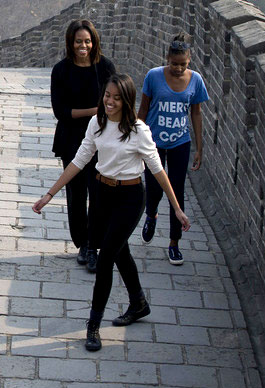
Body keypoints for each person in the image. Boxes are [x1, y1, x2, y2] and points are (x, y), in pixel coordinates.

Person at [33, 74, 190, 352]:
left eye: (117, 98)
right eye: (107, 96)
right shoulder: (97, 123)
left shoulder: (138, 130)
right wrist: (50, 193)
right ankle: (138, 302)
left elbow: (157, 170)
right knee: (120, 252)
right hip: (102, 193)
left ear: (126, 100)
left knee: (105, 258)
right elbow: (80, 160)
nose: (110, 101)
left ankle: (93, 325)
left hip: (130, 197)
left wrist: (176, 208)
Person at [138, 32, 209, 265]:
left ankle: (174, 243)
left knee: (177, 192)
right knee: (154, 186)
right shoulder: (153, 76)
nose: (178, 68)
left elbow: (196, 113)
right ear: (167, 58)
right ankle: (151, 214)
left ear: (189, 61)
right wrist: (135, 138)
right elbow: (144, 109)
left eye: (183, 64)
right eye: (174, 63)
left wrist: (199, 147)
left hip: (180, 142)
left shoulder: (196, 80)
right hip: (153, 142)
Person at [50, 19, 116, 272]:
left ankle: (95, 245)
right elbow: (61, 112)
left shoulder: (105, 67)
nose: (84, 45)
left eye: (87, 41)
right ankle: (83, 243)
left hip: (102, 140)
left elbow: (117, 100)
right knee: (76, 194)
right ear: (71, 42)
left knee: (99, 193)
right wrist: (96, 111)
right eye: (79, 41)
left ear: (94, 41)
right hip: (72, 140)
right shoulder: (61, 70)